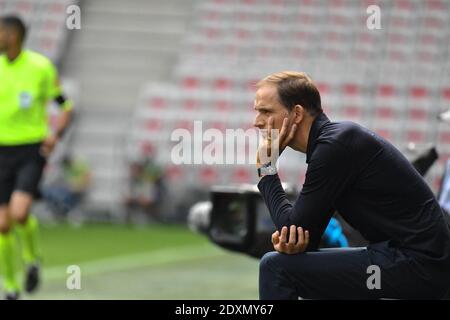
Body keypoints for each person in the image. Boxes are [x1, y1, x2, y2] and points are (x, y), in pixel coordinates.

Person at [253, 71, 450, 299]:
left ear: (296, 113)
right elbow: (301, 235)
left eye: (266, 111)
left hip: (417, 268)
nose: (256, 121)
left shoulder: (335, 147)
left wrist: (267, 170)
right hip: (408, 261)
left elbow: (289, 227)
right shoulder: (333, 143)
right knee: (294, 267)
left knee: (276, 268)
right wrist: (292, 242)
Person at [0, 15, 73, 299]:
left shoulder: (40, 67)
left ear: (13, 35)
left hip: (30, 149)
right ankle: (10, 286)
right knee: (2, 224)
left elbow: (65, 105)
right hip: (1, 151)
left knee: (19, 214)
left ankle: (32, 259)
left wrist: (56, 135)